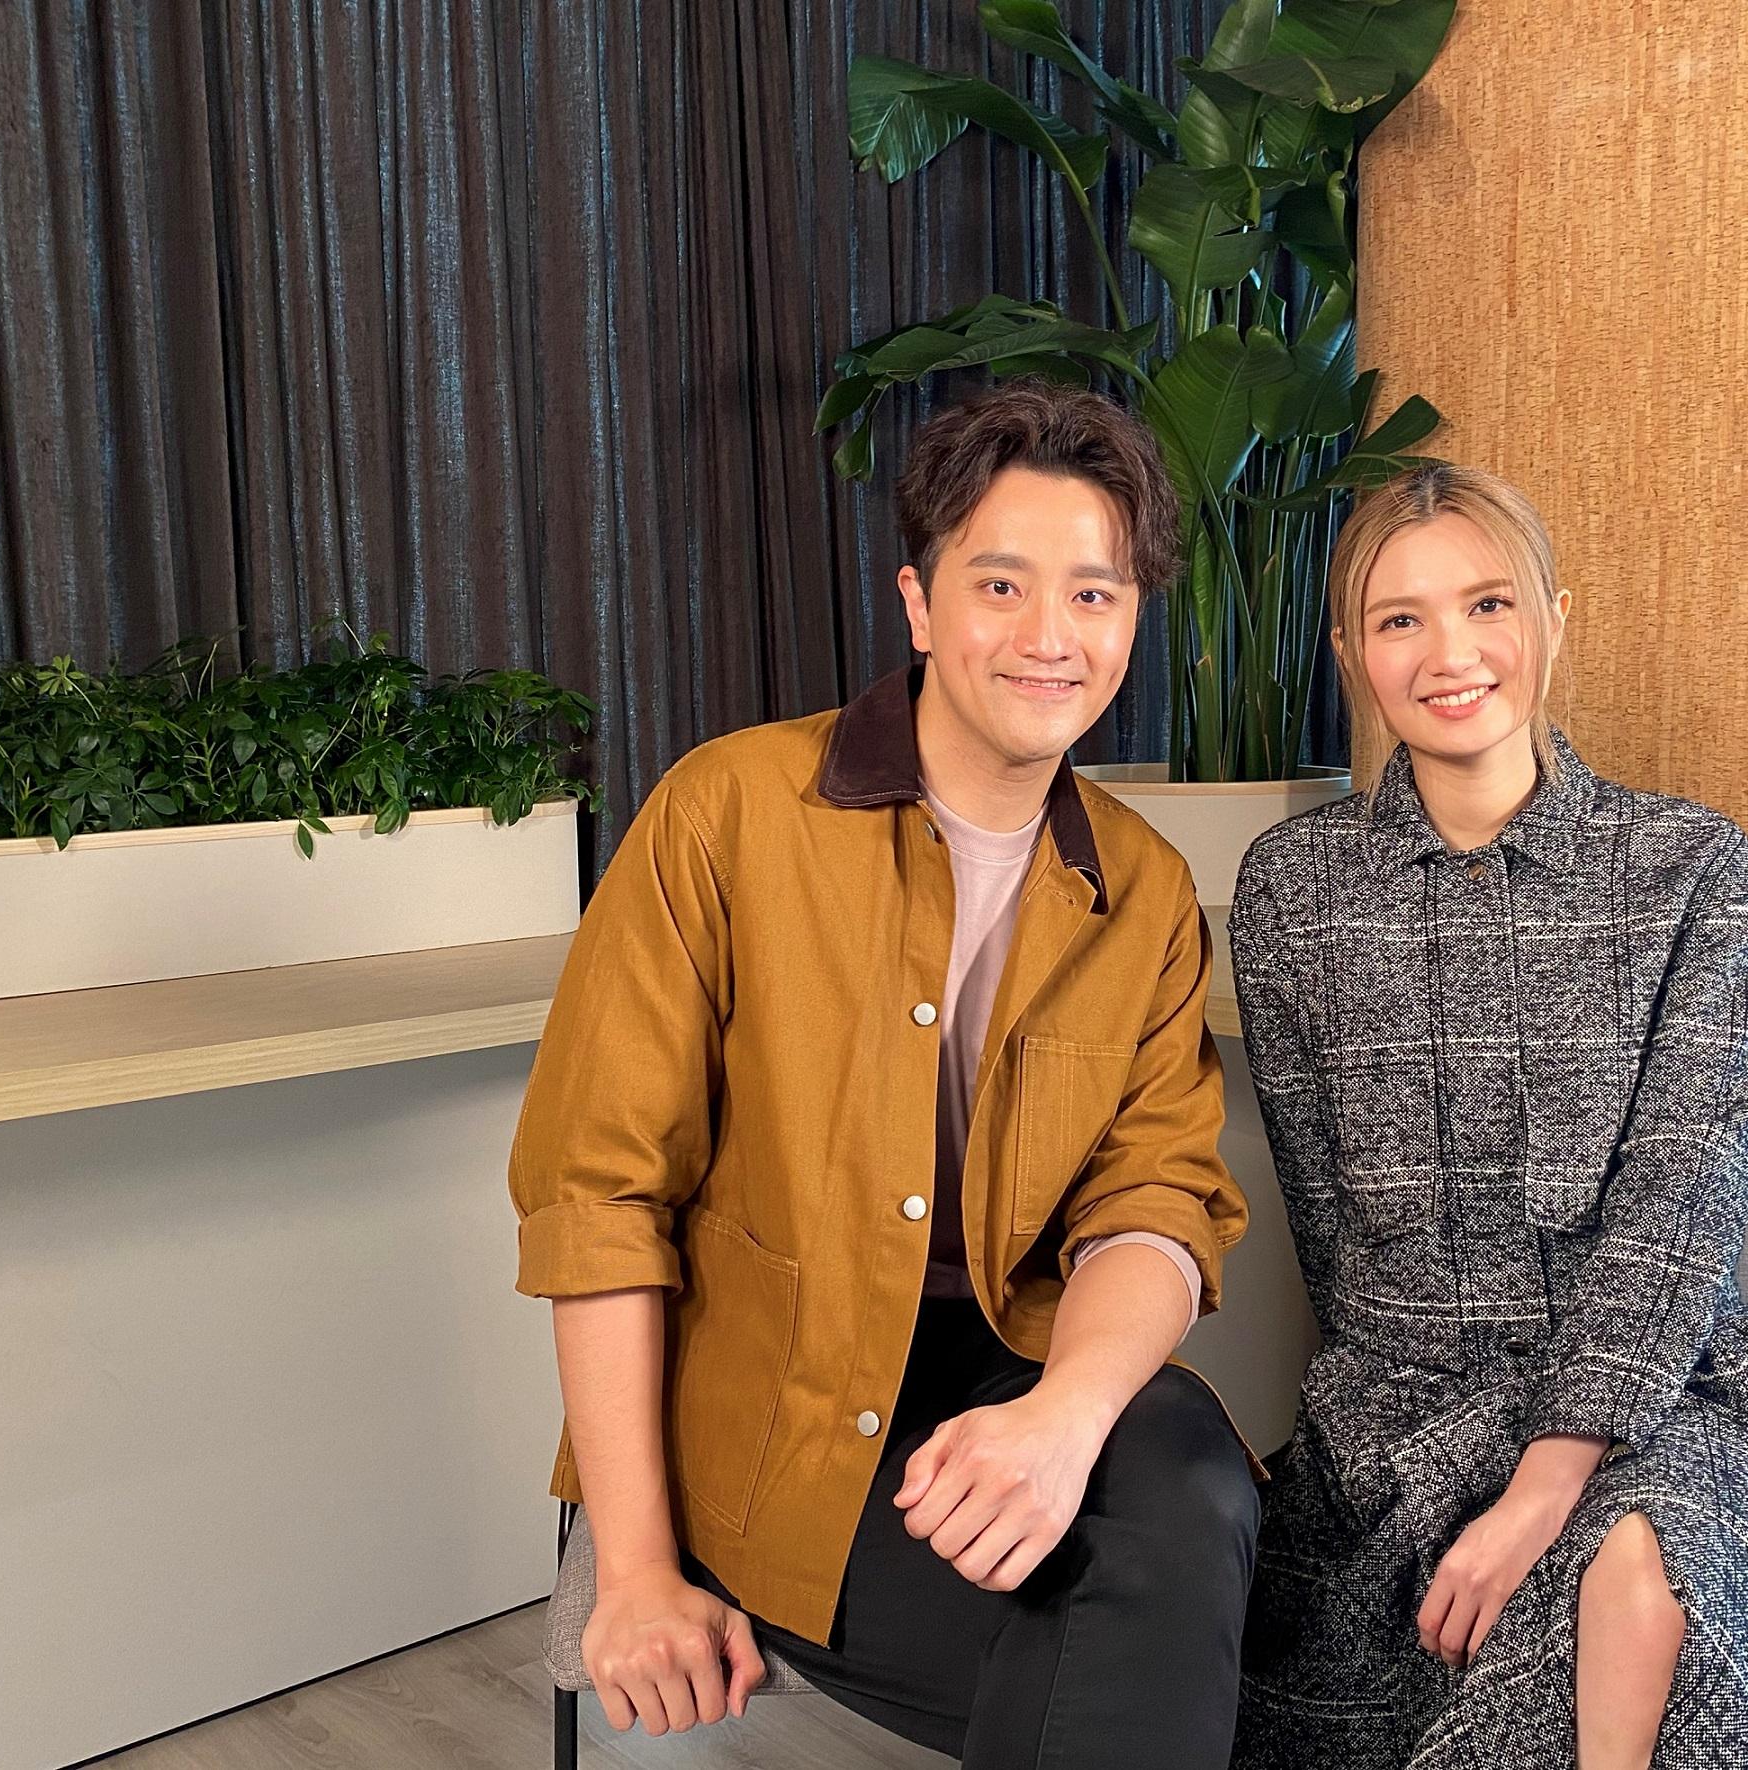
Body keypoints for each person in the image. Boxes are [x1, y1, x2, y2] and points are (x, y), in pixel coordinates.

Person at [1226, 464, 1748, 1769]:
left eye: (1488, 603)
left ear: (1554, 618)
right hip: (1408, 1421)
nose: (1451, 653)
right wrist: (1456, 1457)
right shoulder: (1294, 889)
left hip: (1671, 1394)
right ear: (1349, 653)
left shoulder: (1691, 869)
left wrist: (1545, 1481)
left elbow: (1686, 1203)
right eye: (1400, 619)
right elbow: (1329, 1232)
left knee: (1646, 1562)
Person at [508, 381, 1258, 1770]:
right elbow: (595, 1198)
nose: (1050, 636)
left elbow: (1157, 1202)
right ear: (919, 603)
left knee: (1192, 1474)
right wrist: (636, 1569)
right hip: (773, 1412)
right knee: (1175, 1652)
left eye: (1094, 594)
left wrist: (1062, 1422)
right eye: (1002, 585)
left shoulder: (1146, 891)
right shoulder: (727, 812)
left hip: (1003, 1372)